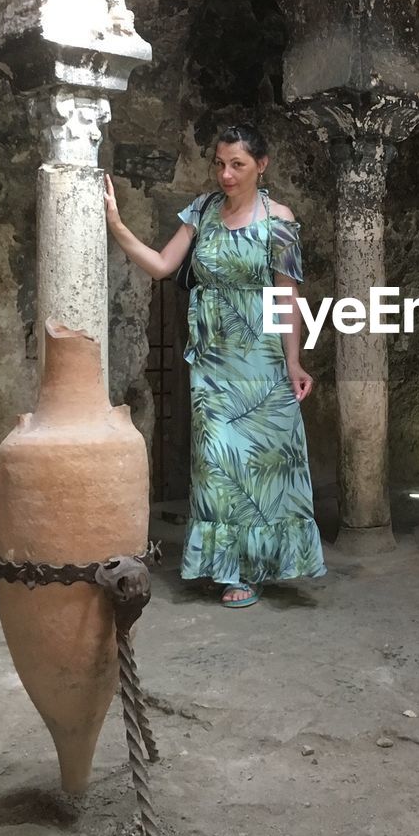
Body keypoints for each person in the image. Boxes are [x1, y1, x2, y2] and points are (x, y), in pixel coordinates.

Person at [104, 123, 326, 607]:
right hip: (212, 361)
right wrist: (118, 226)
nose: (225, 174)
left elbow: (287, 298)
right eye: (219, 163)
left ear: (261, 166)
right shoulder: (201, 212)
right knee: (217, 463)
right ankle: (227, 568)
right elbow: (163, 266)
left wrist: (294, 361)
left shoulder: (279, 220)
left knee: (264, 464)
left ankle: (256, 567)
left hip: (263, 361)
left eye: (237, 165)